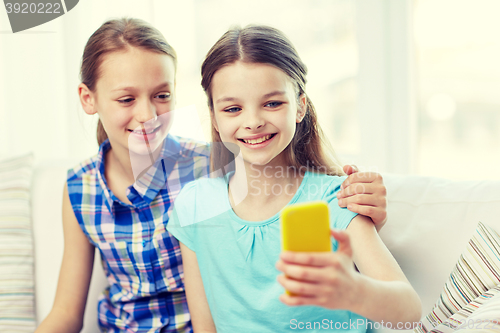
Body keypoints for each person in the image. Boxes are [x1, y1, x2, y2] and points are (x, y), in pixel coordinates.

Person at [36, 18, 389, 333]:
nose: (147, 114)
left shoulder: (213, 161)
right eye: (126, 99)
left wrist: (362, 205)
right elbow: (66, 313)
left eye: (162, 95)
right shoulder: (80, 188)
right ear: (88, 98)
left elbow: (283, 177)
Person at [167, 25, 421, 333]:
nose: (253, 122)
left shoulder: (336, 199)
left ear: (300, 106)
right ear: (215, 118)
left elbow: (409, 311)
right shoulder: (195, 205)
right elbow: (205, 325)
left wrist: (354, 290)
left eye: (272, 103)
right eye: (233, 108)